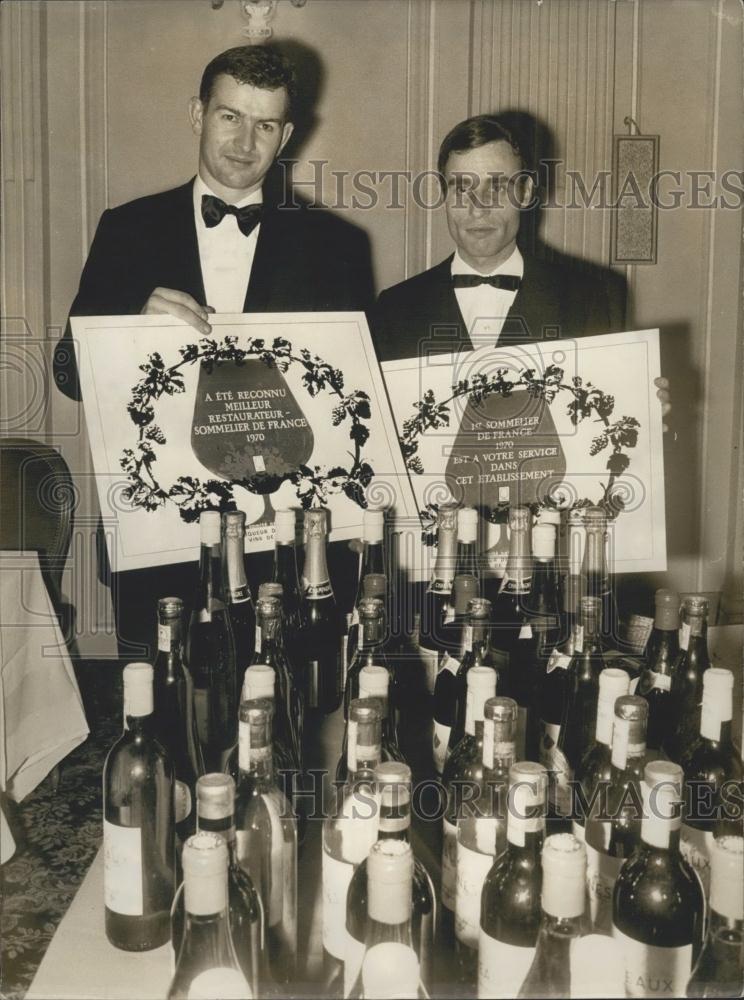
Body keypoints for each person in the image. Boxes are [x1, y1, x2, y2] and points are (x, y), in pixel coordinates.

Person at [55, 44, 373, 658]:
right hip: (160, 543)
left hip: (286, 543)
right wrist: (127, 325)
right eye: (230, 116)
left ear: (286, 135)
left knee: (289, 727)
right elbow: (68, 373)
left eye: (265, 124)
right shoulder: (126, 230)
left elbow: (351, 398)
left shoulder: (336, 245)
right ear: (198, 114)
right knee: (163, 728)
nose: (244, 141)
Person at [371, 113, 670, 422]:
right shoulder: (394, 310)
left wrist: (647, 419)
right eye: (462, 188)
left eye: (497, 188)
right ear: (443, 194)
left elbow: (607, 425)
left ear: (526, 192)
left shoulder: (589, 298)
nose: (478, 208)